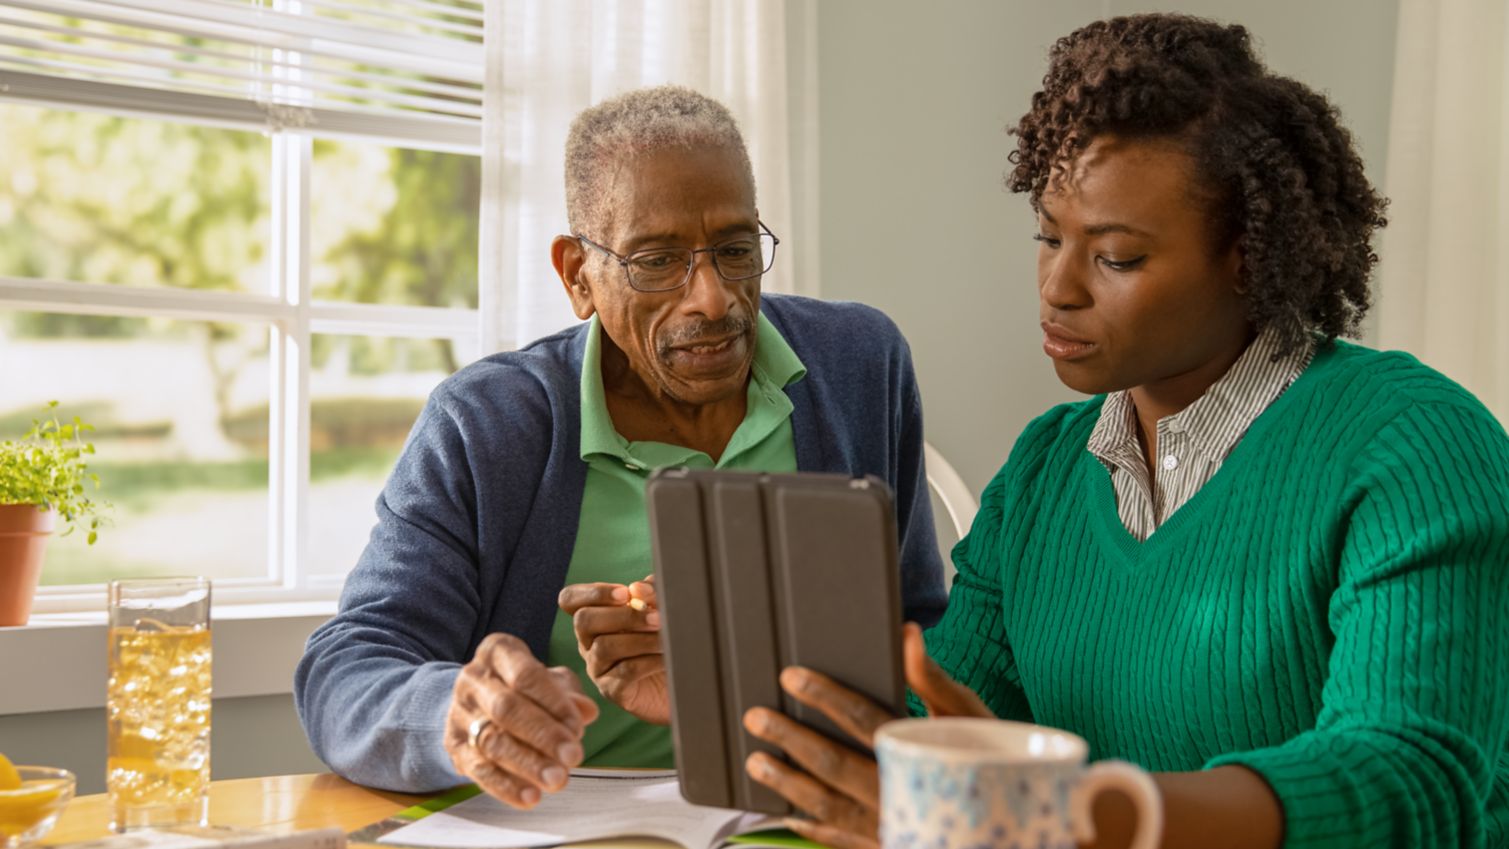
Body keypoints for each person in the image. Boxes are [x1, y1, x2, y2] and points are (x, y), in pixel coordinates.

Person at [740, 14, 1509, 849]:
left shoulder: (1413, 443)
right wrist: (728, 677)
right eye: (1047, 236)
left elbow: (1406, 781)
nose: (1056, 287)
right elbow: (953, 718)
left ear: (1249, 255)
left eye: (1115, 257)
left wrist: (1064, 812)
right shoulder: (1043, 470)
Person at [293, 85, 949, 809]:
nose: (713, 297)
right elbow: (345, 670)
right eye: (657, 261)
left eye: (735, 249)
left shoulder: (860, 363)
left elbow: (924, 634)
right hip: (564, 822)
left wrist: (754, 680)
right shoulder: (487, 423)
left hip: (811, 817)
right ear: (578, 275)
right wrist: (460, 711)